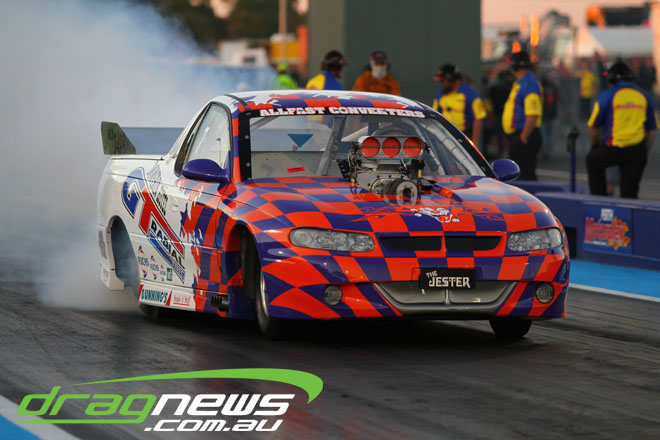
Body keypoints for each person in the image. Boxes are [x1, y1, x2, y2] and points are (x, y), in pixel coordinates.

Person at [586, 61, 657, 199]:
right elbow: (652, 130)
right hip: (636, 151)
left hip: (612, 149)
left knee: (593, 160)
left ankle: (599, 199)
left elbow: (593, 127)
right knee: (629, 195)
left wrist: (595, 145)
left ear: (611, 79)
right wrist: (645, 152)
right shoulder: (644, 96)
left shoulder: (607, 95)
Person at [501, 51, 543, 180]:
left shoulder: (528, 84)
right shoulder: (522, 83)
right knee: (518, 175)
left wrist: (523, 136)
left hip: (525, 135)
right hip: (519, 134)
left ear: (516, 65)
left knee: (524, 175)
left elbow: (533, 113)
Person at [432, 64, 487, 146]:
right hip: (444, 136)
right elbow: (435, 115)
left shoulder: (470, 93)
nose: (441, 83)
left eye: (442, 80)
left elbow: (478, 119)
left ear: (450, 78)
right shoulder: (441, 94)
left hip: (464, 136)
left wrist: (474, 143)